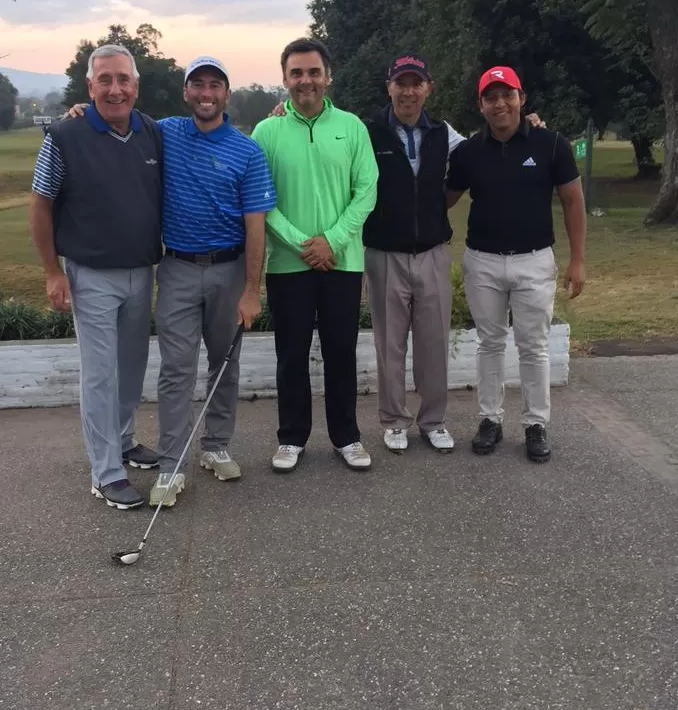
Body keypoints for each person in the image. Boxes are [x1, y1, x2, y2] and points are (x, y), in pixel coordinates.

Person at [68, 56, 276, 510]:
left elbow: (256, 225)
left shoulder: (247, 150)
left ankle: (216, 444)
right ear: (186, 93)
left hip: (230, 268)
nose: (205, 93)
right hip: (178, 268)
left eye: (214, 86)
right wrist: (80, 113)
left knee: (224, 364)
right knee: (176, 371)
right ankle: (172, 464)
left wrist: (251, 290)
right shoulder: (165, 133)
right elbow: (115, 111)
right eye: (197, 85)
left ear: (226, 94)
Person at [29, 43, 162, 510]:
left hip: (140, 269)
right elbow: (41, 203)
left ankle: (124, 441)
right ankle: (105, 472)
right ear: (89, 86)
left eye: (123, 79)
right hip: (90, 274)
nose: (115, 89)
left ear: (136, 86)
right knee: (101, 376)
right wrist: (51, 272)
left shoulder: (150, 132)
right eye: (104, 80)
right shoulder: (65, 135)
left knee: (131, 367)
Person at [445, 65, 586, 462]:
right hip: (483, 262)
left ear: (522, 99)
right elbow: (445, 199)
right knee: (489, 344)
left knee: (533, 347)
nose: (500, 103)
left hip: (534, 260)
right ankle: (490, 419)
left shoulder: (551, 144)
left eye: (508, 94)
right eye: (491, 97)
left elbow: (573, 201)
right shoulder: (469, 152)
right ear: (481, 105)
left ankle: (535, 424)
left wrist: (578, 260)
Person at [252, 38, 379, 473]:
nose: (305, 80)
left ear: (328, 76)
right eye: (296, 73)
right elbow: (260, 198)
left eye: (313, 72)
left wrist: (333, 240)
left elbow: (366, 191)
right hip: (289, 265)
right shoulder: (267, 131)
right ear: (285, 78)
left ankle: (347, 436)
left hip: (341, 262)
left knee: (341, 350)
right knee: (291, 353)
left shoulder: (352, 127)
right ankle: (292, 437)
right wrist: (302, 243)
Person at [362, 55, 465, 455]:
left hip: (433, 252)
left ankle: (433, 420)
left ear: (427, 88)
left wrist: (530, 127)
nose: (408, 91)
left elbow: (482, 151)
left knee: (433, 342)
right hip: (385, 253)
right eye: (400, 83)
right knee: (390, 344)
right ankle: (393, 420)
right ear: (388, 87)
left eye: (415, 83)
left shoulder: (443, 132)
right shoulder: (368, 132)